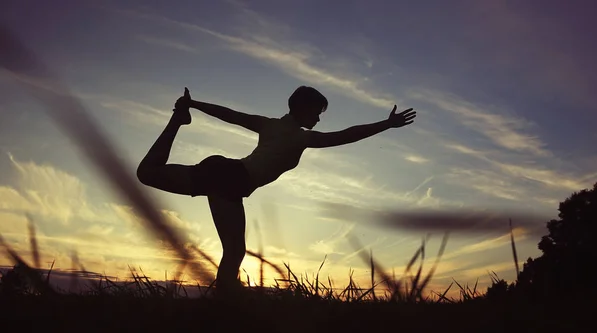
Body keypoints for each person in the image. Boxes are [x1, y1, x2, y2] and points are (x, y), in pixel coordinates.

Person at [136, 86, 416, 292]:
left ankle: (177, 120)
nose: (318, 119)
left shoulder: (268, 125)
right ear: (303, 109)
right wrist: (386, 125)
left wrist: (194, 104)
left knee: (147, 174)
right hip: (231, 179)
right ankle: (221, 310)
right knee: (234, 251)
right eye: (317, 113)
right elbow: (346, 135)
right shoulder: (301, 138)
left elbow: (231, 115)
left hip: (223, 171)